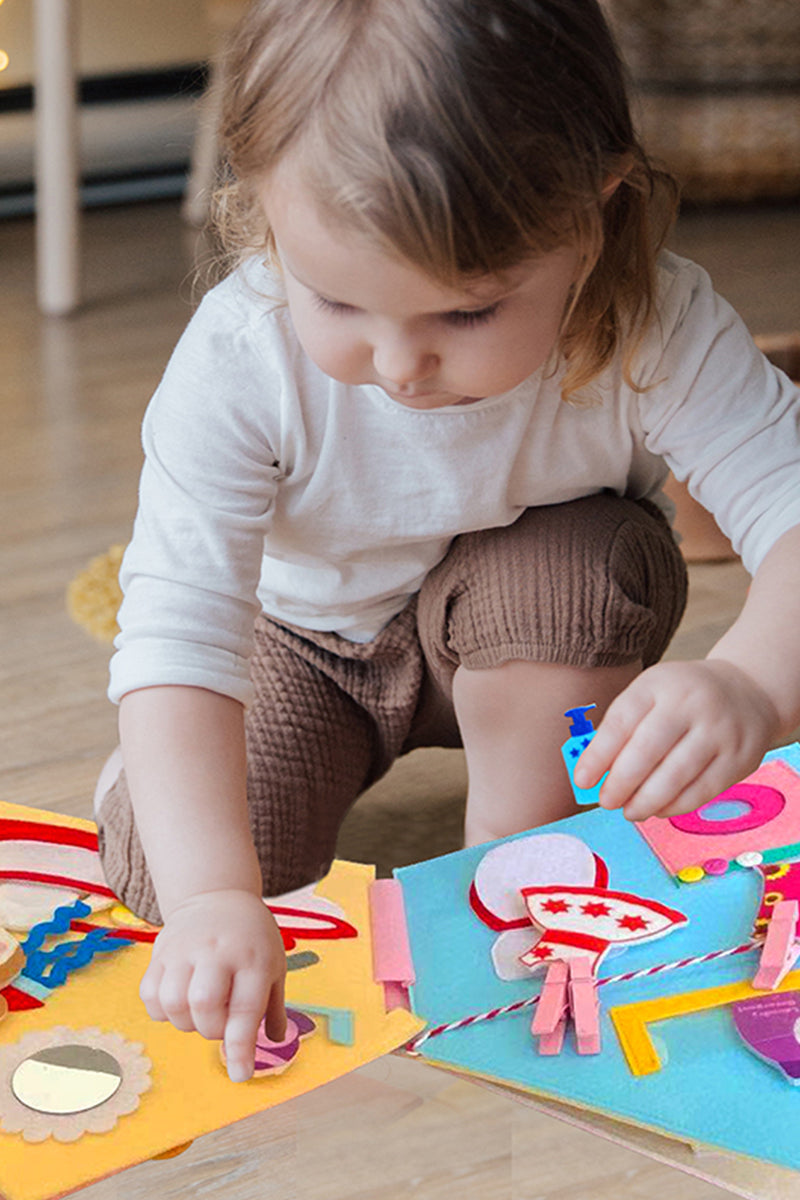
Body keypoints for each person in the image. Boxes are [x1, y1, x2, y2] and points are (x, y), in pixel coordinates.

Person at [94, 0, 800, 1084]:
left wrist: (750, 680)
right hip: (303, 648)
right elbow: (180, 631)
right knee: (182, 888)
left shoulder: (654, 324)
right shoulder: (238, 358)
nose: (397, 365)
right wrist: (210, 896)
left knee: (572, 568)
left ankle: (508, 863)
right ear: (262, 207)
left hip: (527, 624)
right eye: (335, 300)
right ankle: (154, 792)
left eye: (465, 314)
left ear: (596, 212)